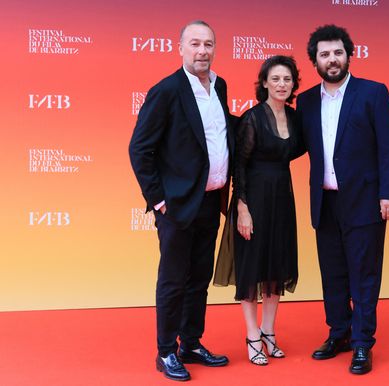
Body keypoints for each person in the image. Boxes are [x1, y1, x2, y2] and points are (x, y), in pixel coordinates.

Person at [129, 20, 232, 382]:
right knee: (173, 279)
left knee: (199, 277)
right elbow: (139, 148)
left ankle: (190, 342)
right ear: (180, 48)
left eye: (208, 44)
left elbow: (217, 137)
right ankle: (166, 352)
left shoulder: (220, 86)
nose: (202, 51)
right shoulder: (167, 90)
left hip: (210, 201)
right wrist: (158, 199)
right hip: (176, 205)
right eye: (194, 44)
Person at [296, 25, 389, 375]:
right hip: (324, 202)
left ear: (348, 55)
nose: (332, 59)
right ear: (315, 60)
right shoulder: (307, 100)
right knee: (333, 274)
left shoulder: (373, 93)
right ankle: (338, 332)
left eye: (338, 52)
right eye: (324, 54)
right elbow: (295, 143)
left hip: (365, 201)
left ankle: (361, 343)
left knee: (364, 274)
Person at [217, 55, 303, 366]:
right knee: (252, 267)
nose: (282, 84)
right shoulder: (252, 118)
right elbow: (238, 166)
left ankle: (269, 331)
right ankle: (252, 335)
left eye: (287, 79)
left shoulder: (295, 119)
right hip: (252, 199)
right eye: (276, 79)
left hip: (282, 198)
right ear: (264, 83)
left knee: (276, 267)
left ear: (294, 84)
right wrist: (242, 208)